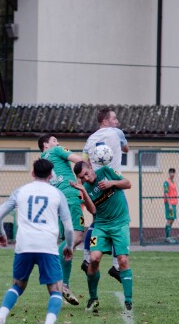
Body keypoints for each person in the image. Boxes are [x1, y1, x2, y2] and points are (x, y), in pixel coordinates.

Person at [0, 159, 77, 324]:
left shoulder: (21, 191)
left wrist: (1, 234)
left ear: (32, 173)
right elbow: (68, 228)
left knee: (17, 286)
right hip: (47, 246)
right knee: (56, 290)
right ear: (51, 175)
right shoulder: (57, 193)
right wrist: (69, 246)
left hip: (24, 244)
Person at [74, 159, 134, 311]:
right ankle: (93, 298)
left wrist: (111, 183)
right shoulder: (85, 187)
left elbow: (127, 184)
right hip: (100, 226)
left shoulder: (106, 171)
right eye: (82, 177)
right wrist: (84, 192)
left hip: (120, 224)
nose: (86, 178)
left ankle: (128, 300)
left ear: (91, 168)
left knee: (122, 260)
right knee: (93, 259)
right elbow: (93, 211)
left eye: (86, 174)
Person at [38, 134, 87, 306]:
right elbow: (79, 161)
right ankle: (55, 278)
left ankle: (64, 284)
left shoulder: (41, 161)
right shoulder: (57, 151)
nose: (57, 143)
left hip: (55, 200)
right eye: (53, 140)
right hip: (70, 196)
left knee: (68, 241)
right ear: (46, 144)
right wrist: (89, 170)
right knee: (78, 237)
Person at [82, 107, 129, 282]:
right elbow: (126, 149)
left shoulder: (89, 139)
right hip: (111, 182)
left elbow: (84, 161)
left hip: (94, 184)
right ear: (105, 121)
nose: (117, 122)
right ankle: (117, 265)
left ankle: (87, 259)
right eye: (114, 118)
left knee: (97, 220)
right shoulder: (117, 132)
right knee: (121, 222)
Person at [163, 168, 178, 244]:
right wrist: (169, 204)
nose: (172, 174)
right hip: (170, 203)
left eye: (173, 173)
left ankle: (168, 236)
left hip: (174, 203)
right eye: (171, 173)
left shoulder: (173, 182)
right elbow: (166, 193)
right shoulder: (166, 182)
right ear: (169, 173)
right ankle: (167, 237)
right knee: (170, 219)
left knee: (172, 219)